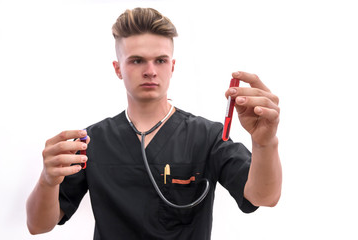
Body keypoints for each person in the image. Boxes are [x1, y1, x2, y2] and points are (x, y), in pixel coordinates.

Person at [26, 7, 282, 240]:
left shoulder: (207, 136)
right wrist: (48, 180)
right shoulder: (90, 142)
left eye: (160, 60)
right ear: (118, 69)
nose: (150, 70)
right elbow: (38, 225)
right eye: (136, 60)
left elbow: (263, 196)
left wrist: (265, 143)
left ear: (172, 66)